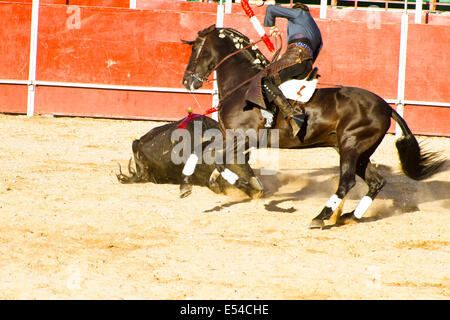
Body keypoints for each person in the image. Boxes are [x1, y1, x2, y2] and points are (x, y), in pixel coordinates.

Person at [245, 2, 323, 137]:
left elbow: (271, 9)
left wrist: (271, 26)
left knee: (263, 79)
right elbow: (318, 48)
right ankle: (273, 114)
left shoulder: (299, 13)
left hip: (295, 56)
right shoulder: (316, 29)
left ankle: (292, 115)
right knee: (277, 83)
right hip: (306, 63)